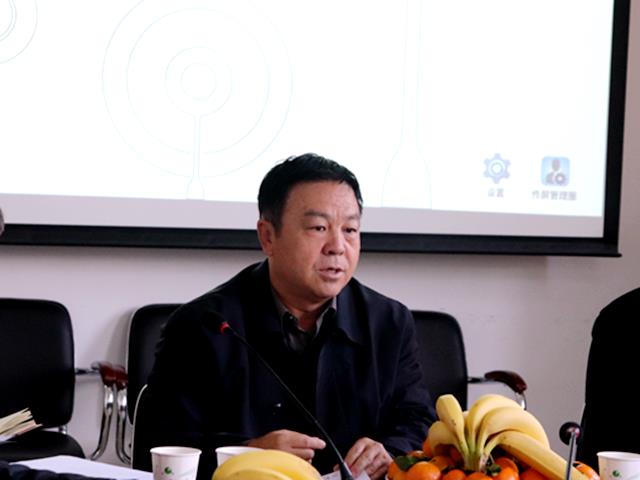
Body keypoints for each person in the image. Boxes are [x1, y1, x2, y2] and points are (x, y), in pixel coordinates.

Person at [144, 153, 434, 480]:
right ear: (268, 237)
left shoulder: (389, 323)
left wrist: (390, 451)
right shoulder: (203, 326)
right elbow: (159, 448)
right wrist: (247, 454)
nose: (337, 246)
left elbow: (418, 422)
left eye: (350, 229)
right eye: (319, 228)